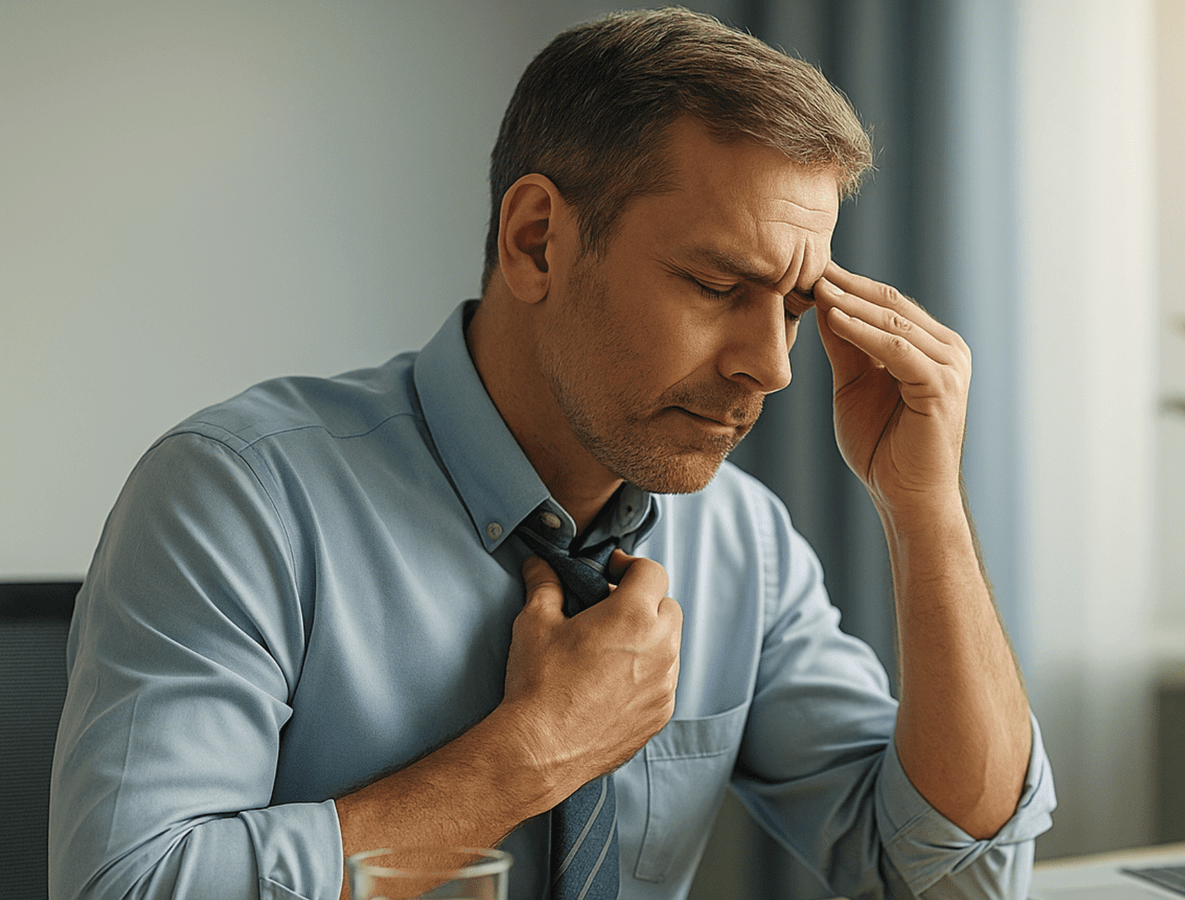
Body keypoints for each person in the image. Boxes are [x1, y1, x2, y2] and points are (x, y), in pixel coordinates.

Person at [49, 8, 1055, 899]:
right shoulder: (235, 498)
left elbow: (956, 878)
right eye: (715, 286)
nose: (772, 368)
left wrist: (926, 509)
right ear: (537, 241)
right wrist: (530, 755)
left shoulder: (744, 540)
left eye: (793, 306)